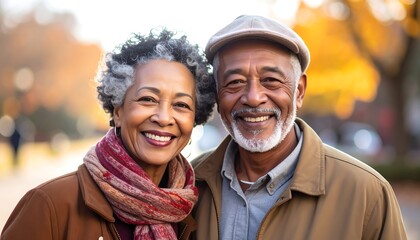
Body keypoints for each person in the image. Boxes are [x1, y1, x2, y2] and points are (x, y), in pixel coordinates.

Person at [191, 15, 407, 240]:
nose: (253, 98)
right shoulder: (189, 184)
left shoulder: (366, 193)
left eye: (271, 80)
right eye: (234, 82)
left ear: (299, 91)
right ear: (217, 93)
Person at [1, 28, 216, 240]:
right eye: (148, 99)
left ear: (194, 118)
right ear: (118, 110)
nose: (163, 117)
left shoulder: (196, 212)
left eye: (181, 104)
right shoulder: (49, 206)